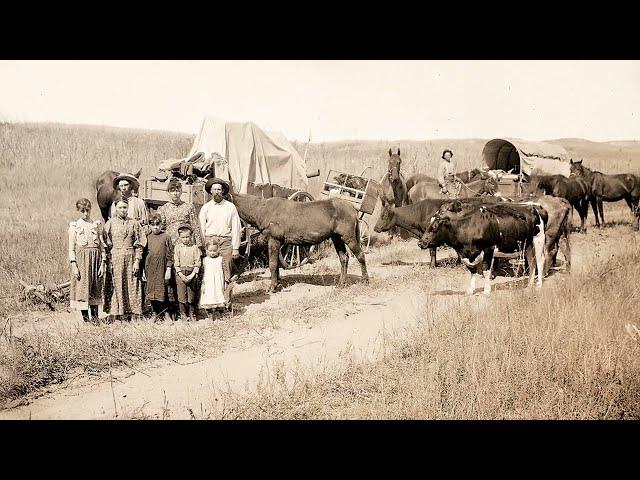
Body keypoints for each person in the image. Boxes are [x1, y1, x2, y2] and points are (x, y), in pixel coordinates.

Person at [103, 198, 148, 321]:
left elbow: (140, 243)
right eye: (120, 208)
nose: (122, 210)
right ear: (115, 209)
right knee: (116, 285)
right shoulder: (110, 223)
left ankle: (134, 313)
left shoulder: (134, 223)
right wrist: (107, 260)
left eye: (124, 207)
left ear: (128, 208)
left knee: (133, 283)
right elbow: (104, 243)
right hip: (115, 258)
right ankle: (116, 313)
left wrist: (137, 261)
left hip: (130, 257)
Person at [68, 198, 106, 324]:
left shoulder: (95, 225)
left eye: (88, 210)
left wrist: (102, 264)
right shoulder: (75, 226)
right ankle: (86, 319)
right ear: (78, 211)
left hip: (95, 260)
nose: (86, 214)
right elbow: (71, 248)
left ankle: (95, 318)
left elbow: (101, 246)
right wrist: (74, 265)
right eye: (83, 211)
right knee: (82, 288)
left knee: (95, 286)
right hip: (82, 261)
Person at [198, 178, 242, 284]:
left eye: (219, 189)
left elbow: (236, 227)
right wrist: (203, 246)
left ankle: (226, 298)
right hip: (210, 242)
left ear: (222, 191)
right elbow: (201, 228)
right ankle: (212, 297)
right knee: (211, 271)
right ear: (211, 192)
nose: (217, 192)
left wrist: (235, 248)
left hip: (226, 242)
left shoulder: (230, 207)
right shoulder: (206, 208)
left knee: (226, 270)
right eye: (214, 189)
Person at [157, 178, 204, 247]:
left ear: (181, 192)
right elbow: (161, 228)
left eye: (177, 191)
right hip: (170, 244)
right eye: (172, 191)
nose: (175, 194)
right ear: (168, 193)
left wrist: (199, 245)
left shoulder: (189, 207)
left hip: (186, 244)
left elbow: (195, 226)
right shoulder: (163, 209)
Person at [144, 213, 173, 322]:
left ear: (161, 225)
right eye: (152, 225)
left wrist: (169, 268)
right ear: (149, 225)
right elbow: (144, 254)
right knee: (152, 291)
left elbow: (170, 253)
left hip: (162, 268)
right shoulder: (147, 237)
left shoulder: (166, 237)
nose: (155, 227)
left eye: (157, 224)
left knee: (163, 291)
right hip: (150, 268)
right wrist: (143, 270)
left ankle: (166, 314)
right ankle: (155, 313)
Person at [173, 223, 201, 321]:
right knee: (181, 294)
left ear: (191, 236)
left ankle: (192, 313)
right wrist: (180, 274)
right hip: (180, 273)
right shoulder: (177, 248)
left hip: (191, 273)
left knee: (191, 294)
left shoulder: (194, 248)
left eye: (187, 237)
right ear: (180, 237)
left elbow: (197, 262)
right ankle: (183, 314)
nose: (185, 239)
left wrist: (192, 274)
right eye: (183, 237)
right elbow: (176, 262)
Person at [199, 240, 232, 320]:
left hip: (218, 281)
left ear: (218, 250)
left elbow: (225, 271)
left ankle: (220, 313)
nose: (212, 253)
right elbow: (203, 273)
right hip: (208, 282)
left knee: (218, 295)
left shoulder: (221, 259)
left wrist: (225, 281)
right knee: (209, 296)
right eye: (210, 251)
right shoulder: (205, 260)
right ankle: (210, 314)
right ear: (206, 250)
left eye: (214, 250)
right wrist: (203, 284)